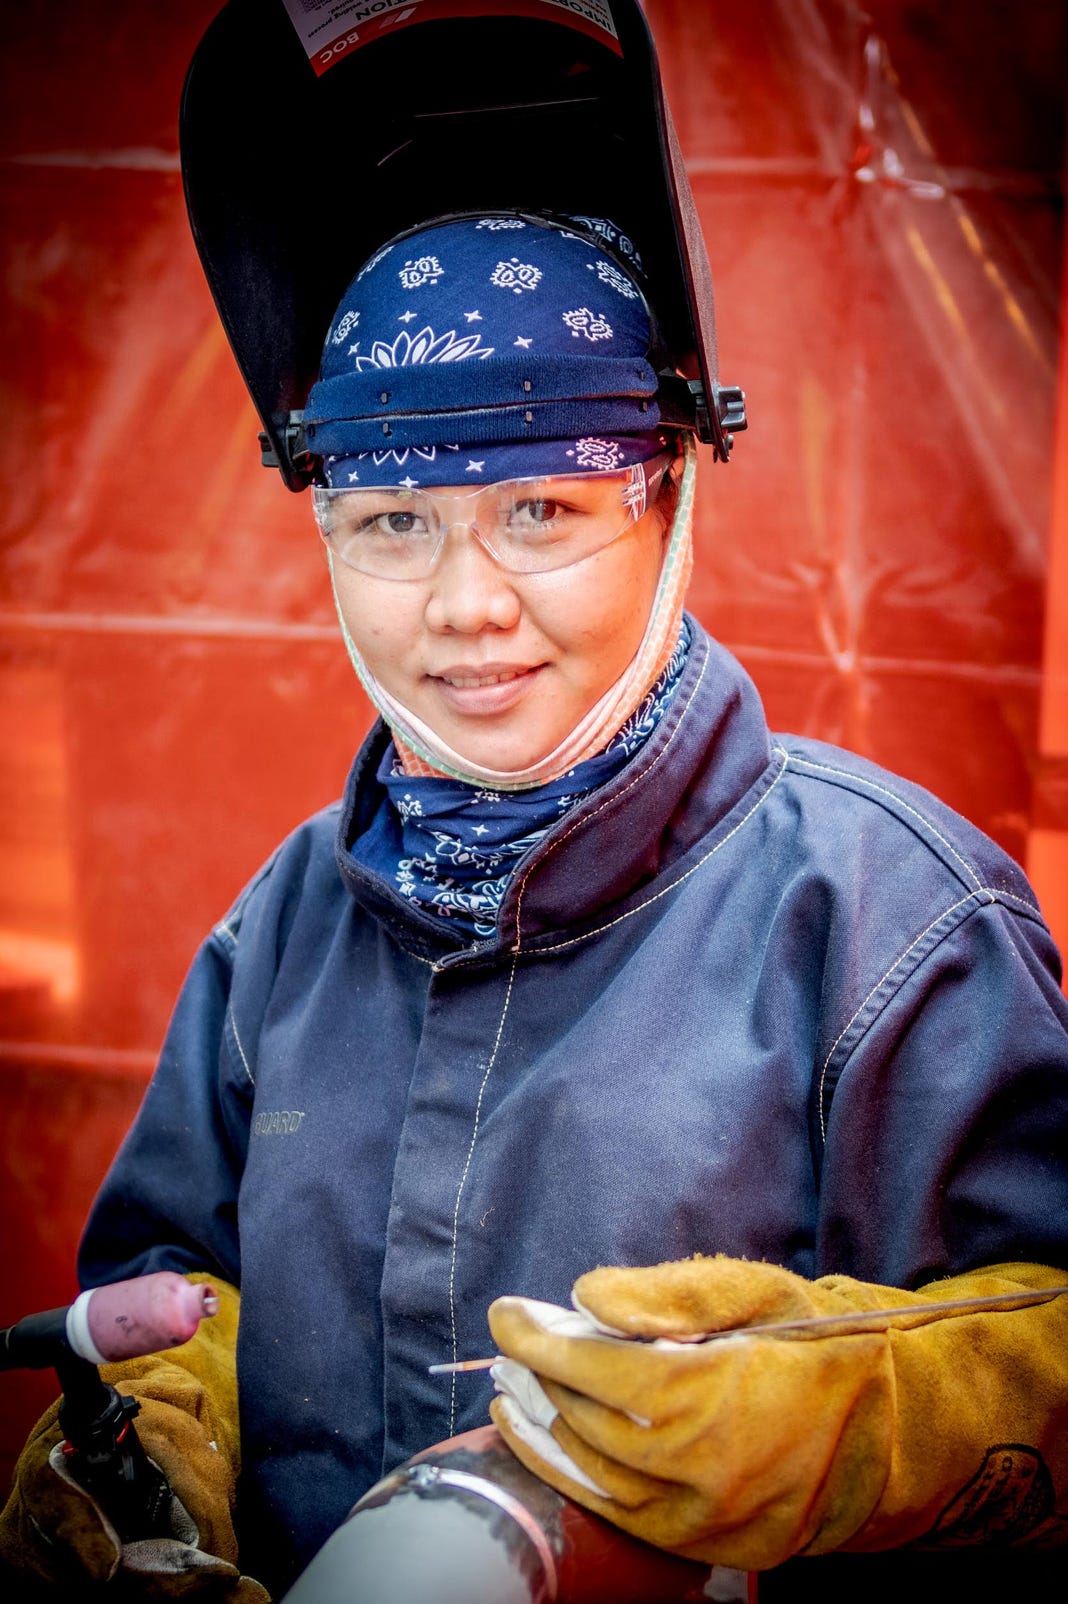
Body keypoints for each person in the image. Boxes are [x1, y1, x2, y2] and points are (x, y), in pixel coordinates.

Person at [3, 8, 1068, 1602]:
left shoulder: (894, 930)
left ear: (673, 488)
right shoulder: (281, 931)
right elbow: (172, 1282)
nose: (465, 604)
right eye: (391, 523)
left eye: (541, 508)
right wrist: (148, 1431)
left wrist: (875, 1414)